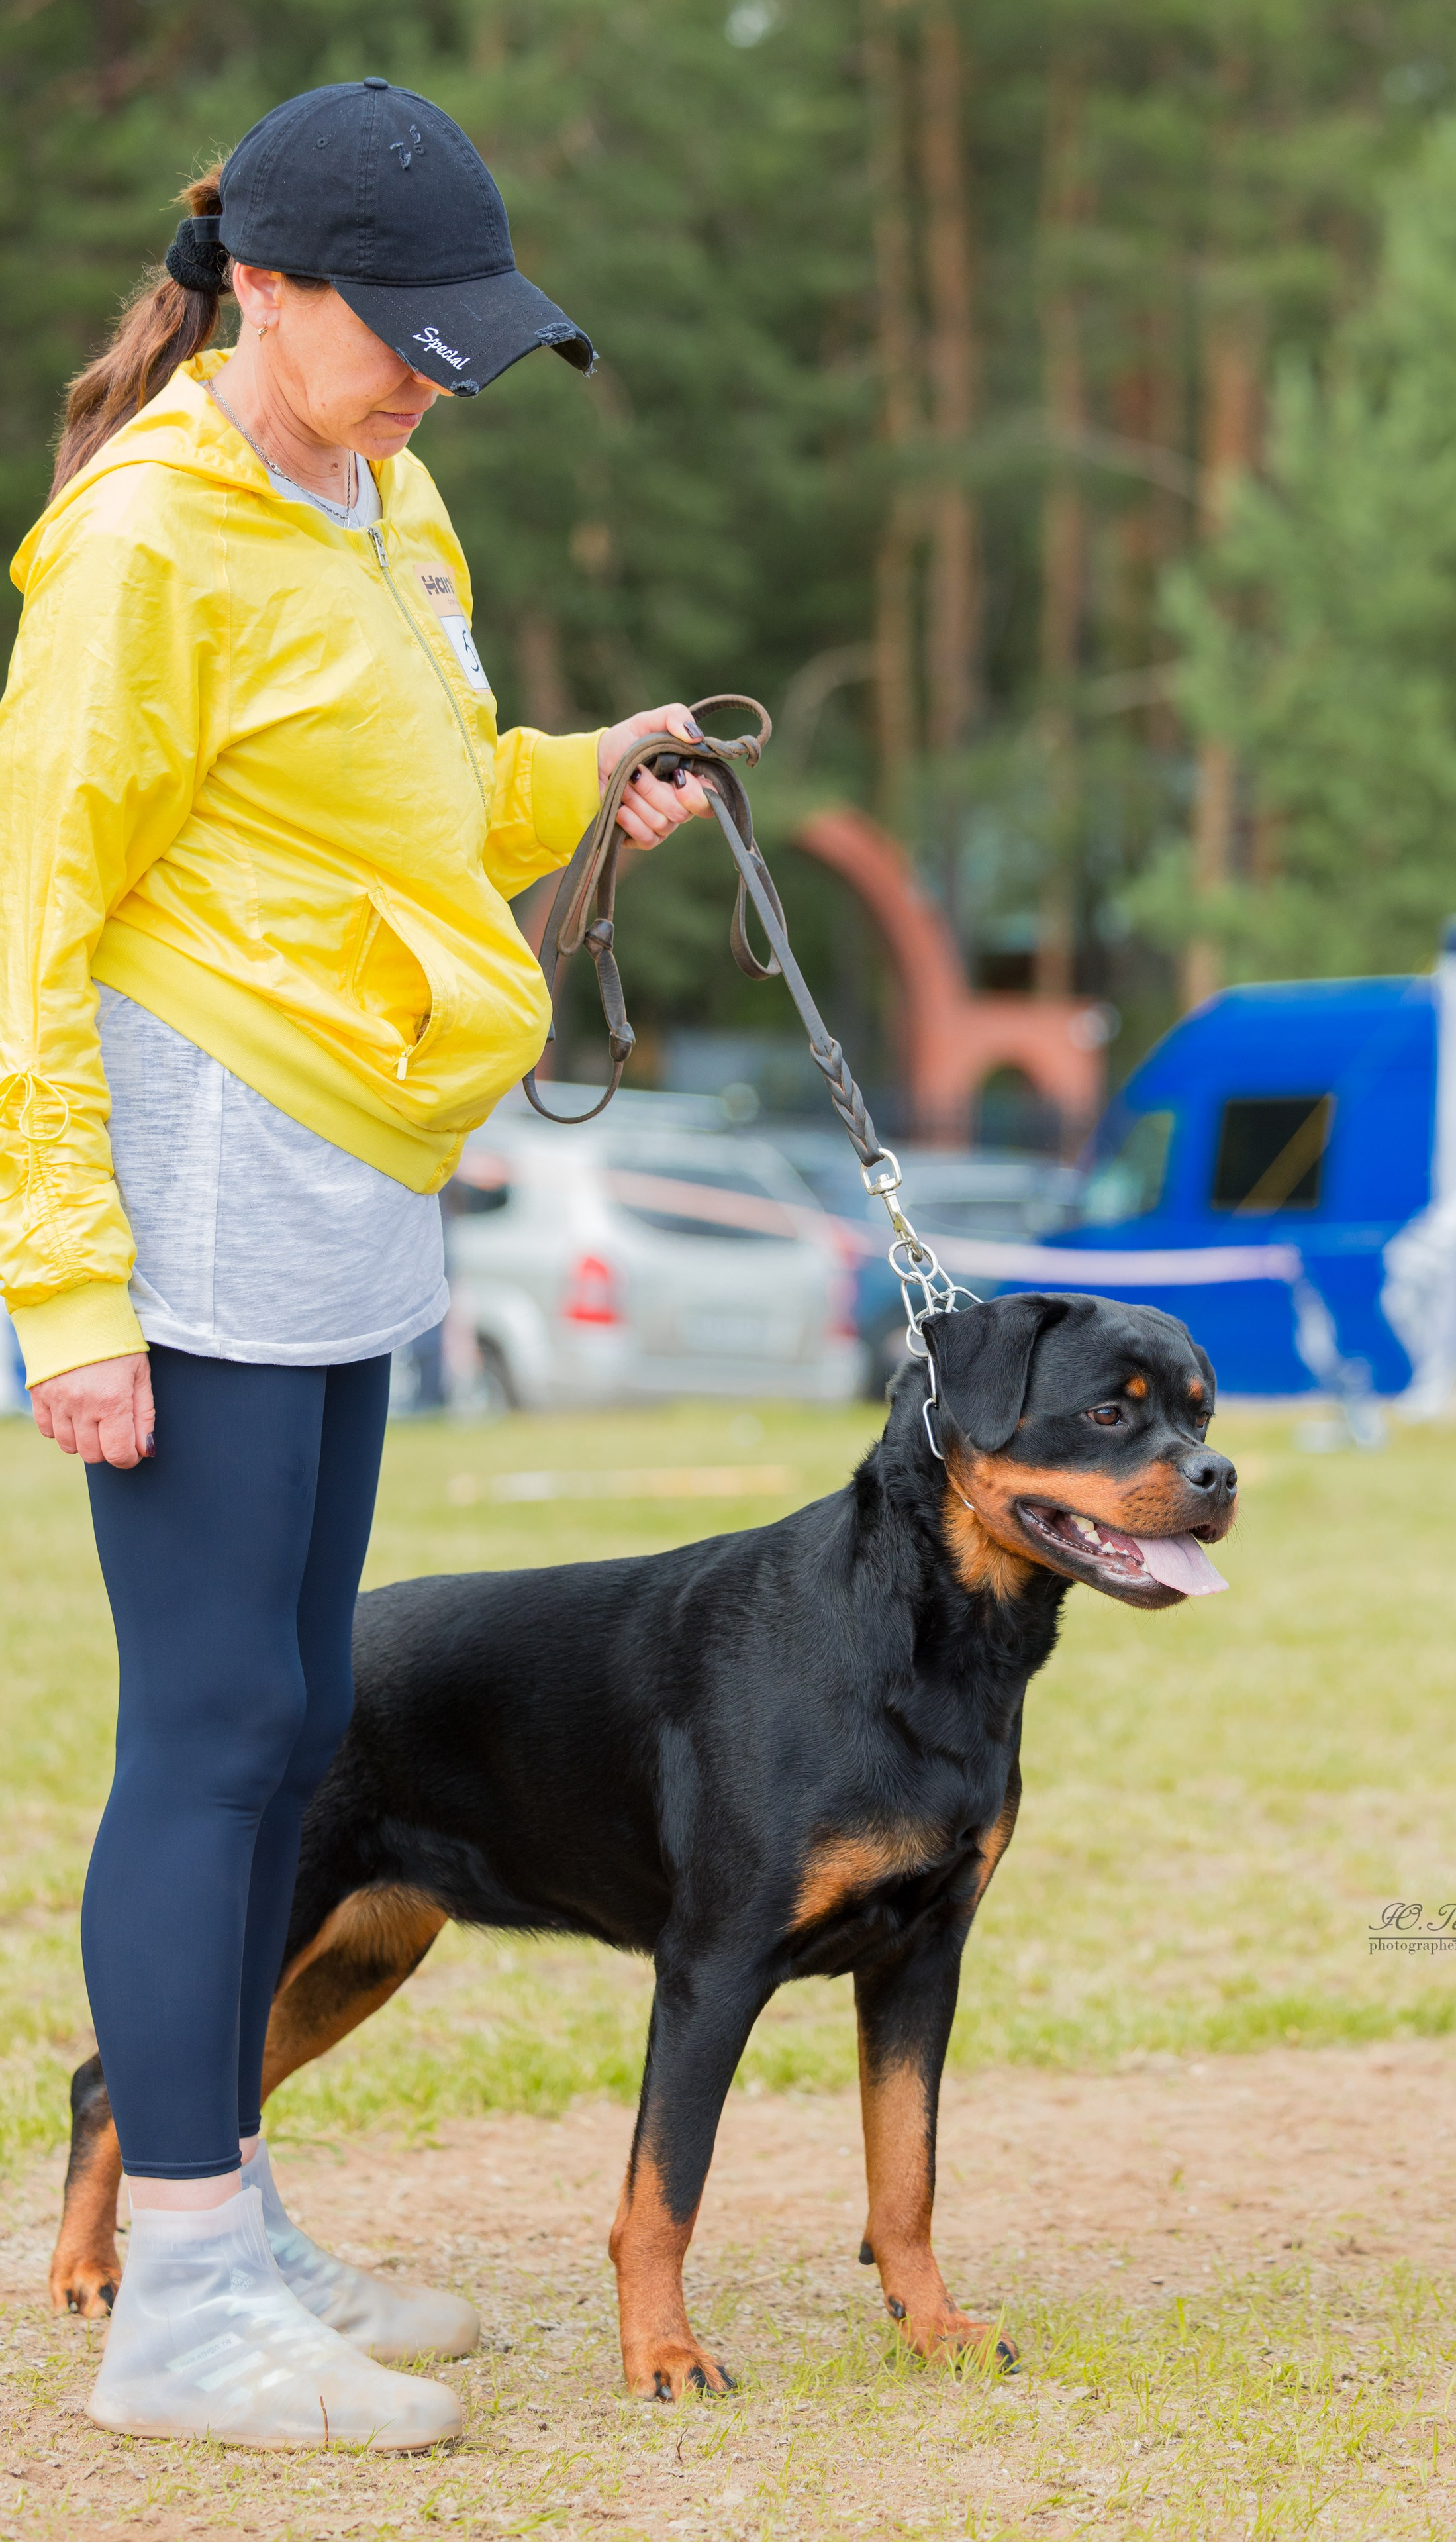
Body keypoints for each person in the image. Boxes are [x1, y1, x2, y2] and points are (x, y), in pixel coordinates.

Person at [0, 79, 712, 2452]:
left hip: (348, 1180)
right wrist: (66, 1295)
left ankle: (226, 2203)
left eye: (463, 340)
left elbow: (431, 794)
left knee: (308, 1722)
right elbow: (37, 932)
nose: (439, 375)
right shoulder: (138, 548)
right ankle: (172, 2296)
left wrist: (583, 767)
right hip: (189, 1198)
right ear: (269, 291)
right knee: (211, 1736)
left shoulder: (385, 496)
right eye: (401, 332)